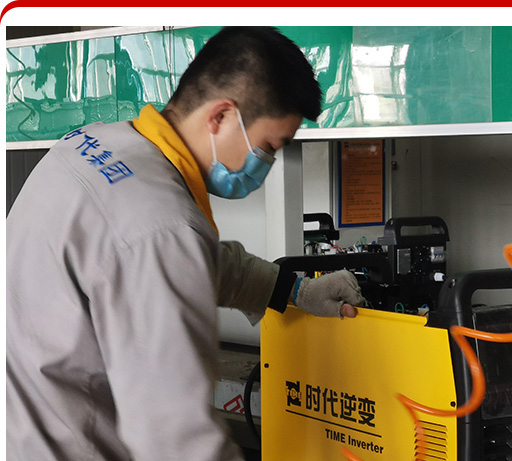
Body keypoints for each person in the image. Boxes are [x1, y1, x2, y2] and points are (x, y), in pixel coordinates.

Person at [7, 26, 365, 461]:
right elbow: (178, 439)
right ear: (221, 116)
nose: (266, 163)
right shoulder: (161, 226)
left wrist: (294, 290)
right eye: (268, 147)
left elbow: (186, 261)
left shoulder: (93, 143)